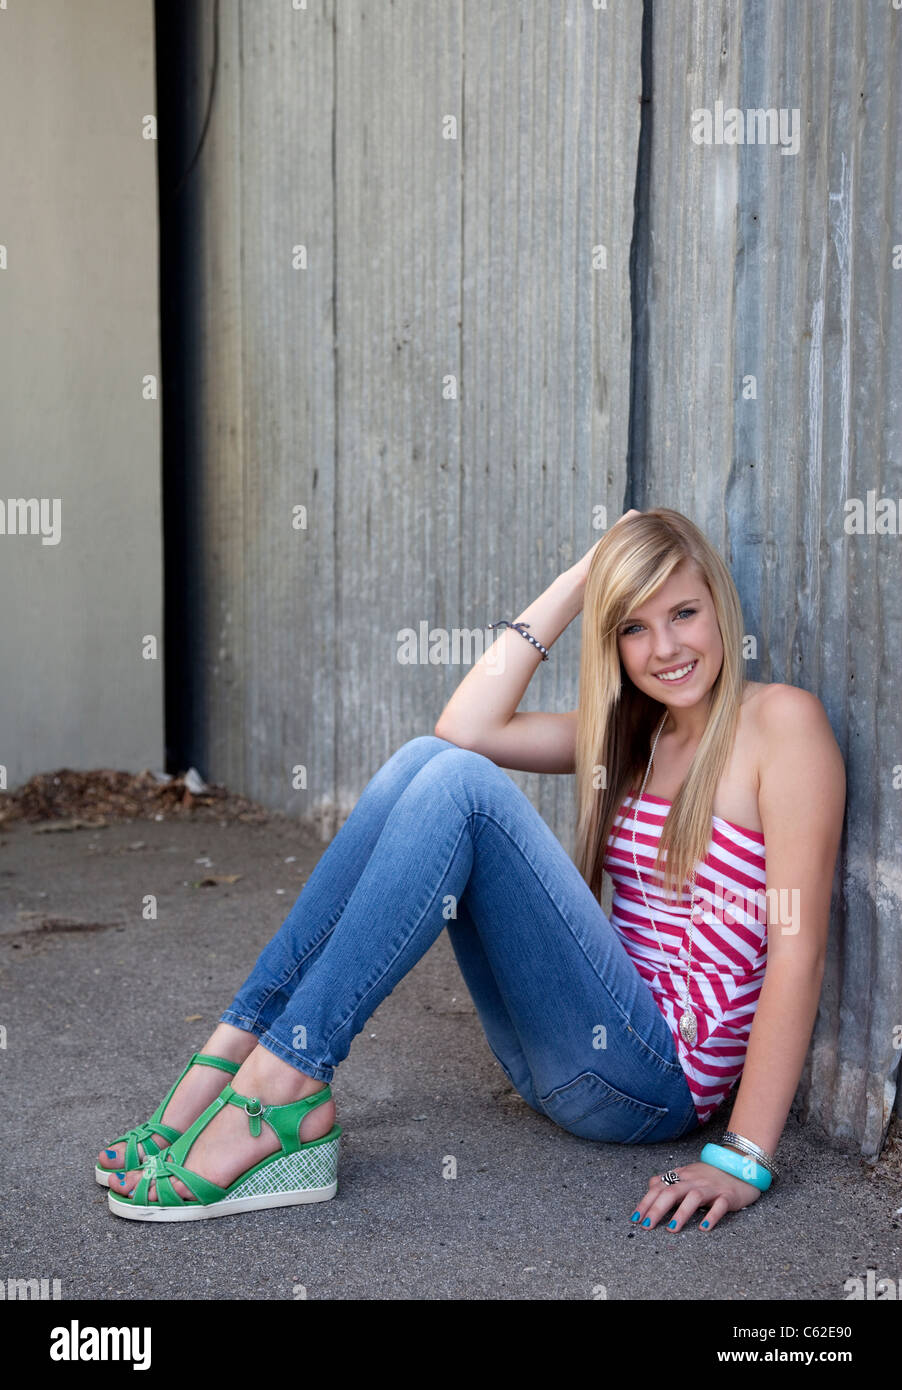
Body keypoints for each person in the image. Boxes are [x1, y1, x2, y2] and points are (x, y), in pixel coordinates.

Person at [98, 507, 845, 1229]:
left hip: (654, 1085)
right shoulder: (631, 736)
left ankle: (278, 1084)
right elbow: (466, 725)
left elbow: (798, 952)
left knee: (462, 785)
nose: (666, 648)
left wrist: (742, 1157)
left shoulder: (783, 726)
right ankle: (237, 1048)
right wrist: (582, 578)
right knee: (428, 760)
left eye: (684, 613)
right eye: (633, 628)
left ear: (720, 601)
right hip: (560, 1059)